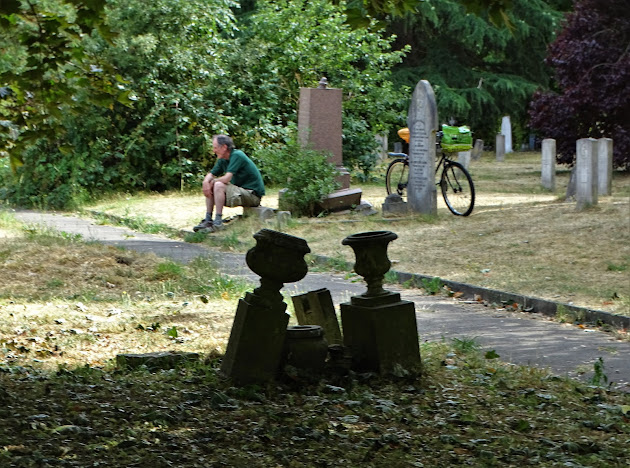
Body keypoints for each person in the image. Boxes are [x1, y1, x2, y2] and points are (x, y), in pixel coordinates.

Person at [193, 134, 265, 232]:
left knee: (218, 185)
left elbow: (227, 178)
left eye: (215, 148)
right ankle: (208, 219)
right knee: (211, 184)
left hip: (252, 195)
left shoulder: (237, 155)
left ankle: (218, 222)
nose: (214, 151)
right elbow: (211, 174)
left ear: (224, 147)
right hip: (241, 192)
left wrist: (212, 182)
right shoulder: (223, 159)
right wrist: (205, 182)